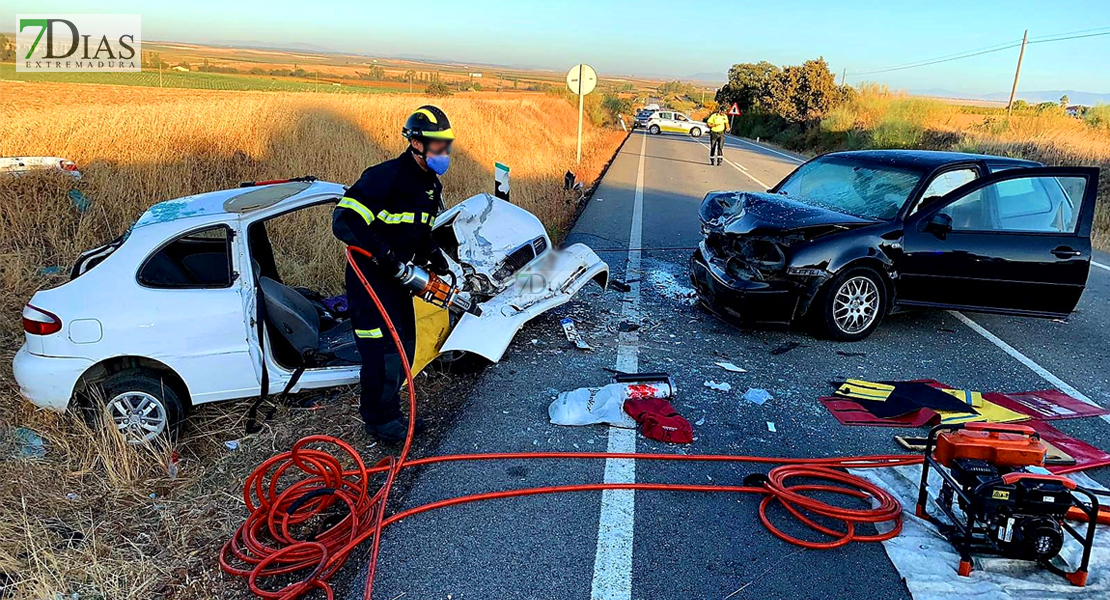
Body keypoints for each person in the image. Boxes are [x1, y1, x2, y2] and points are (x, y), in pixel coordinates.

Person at [332, 105, 454, 442]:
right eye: (437, 145)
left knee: (406, 349)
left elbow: (420, 230)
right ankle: (379, 421)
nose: (443, 152)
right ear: (415, 143)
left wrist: (435, 256)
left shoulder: (430, 185)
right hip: (370, 281)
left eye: (447, 144)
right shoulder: (384, 177)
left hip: (399, 282)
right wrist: (383, 255)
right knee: (382, 353)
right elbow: (345, 221)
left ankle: (394, 413)